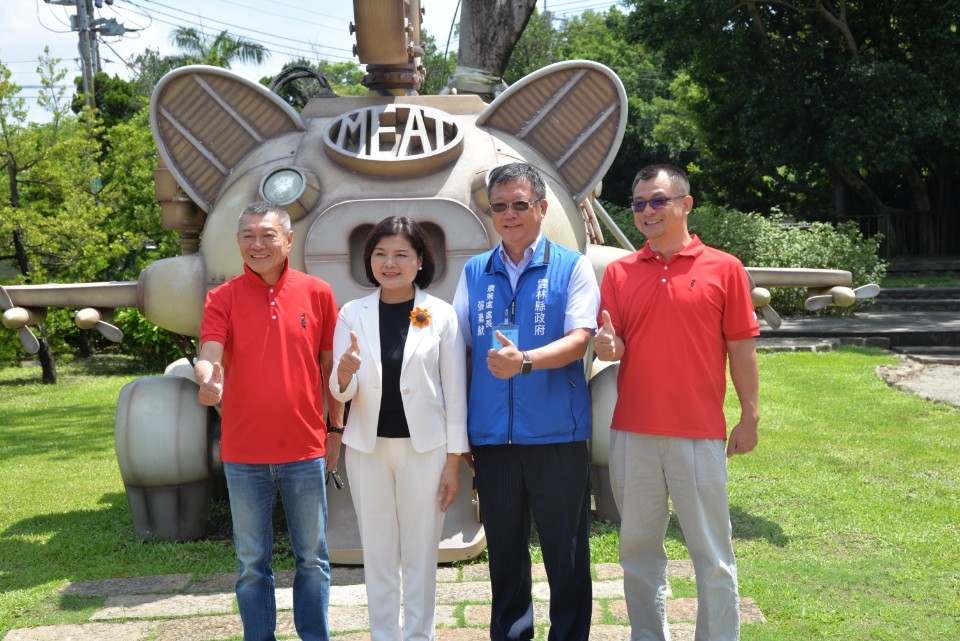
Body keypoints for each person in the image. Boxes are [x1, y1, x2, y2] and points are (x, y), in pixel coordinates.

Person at [594, 164, 760, 641]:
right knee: (638, 552)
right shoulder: (621, 272)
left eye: (658, 200)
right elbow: (615, 341)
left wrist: (750, 416)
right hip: (632, 433)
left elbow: (742, 349)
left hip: (698, 432)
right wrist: (608, 347)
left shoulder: (725, 268)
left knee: (712, 554)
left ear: (685, 204)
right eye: (640, 203)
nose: (647, 211)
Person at [453, 162, 599, 641]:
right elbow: (459, 349)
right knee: (506, 554)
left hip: (557, 432)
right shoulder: (475, 271)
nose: (510, 214)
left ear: (542, 206)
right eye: (500, 207)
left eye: (520, 204)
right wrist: (461, 432)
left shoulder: (572, 266)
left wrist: (527, 361)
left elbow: (581, 338)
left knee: (567, 552)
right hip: (493, 437)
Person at [194, 201, 345, 641]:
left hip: (304, 449)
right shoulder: (221, 298)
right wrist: (207, 380)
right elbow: (209, 354)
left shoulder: (318, 292)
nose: (256, 244)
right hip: (244, 453)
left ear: (288, 239)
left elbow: (329, 367)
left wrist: (334, 428)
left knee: (313, 558)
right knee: (251, 563)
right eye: (247, 235)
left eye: (267, 235)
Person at [329, 216, 469, 641]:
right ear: (369, 259)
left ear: (420, 260)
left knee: (421, 552)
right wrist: (345, 371)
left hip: (426, 450)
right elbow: (342, 391)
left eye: (401, 255)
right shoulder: (352, 313)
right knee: (379, 551)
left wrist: (453, 462)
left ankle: (419, 636)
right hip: (367, 450)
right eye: (380, 254)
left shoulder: (439, 314)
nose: (390, 263)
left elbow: (455, 393)